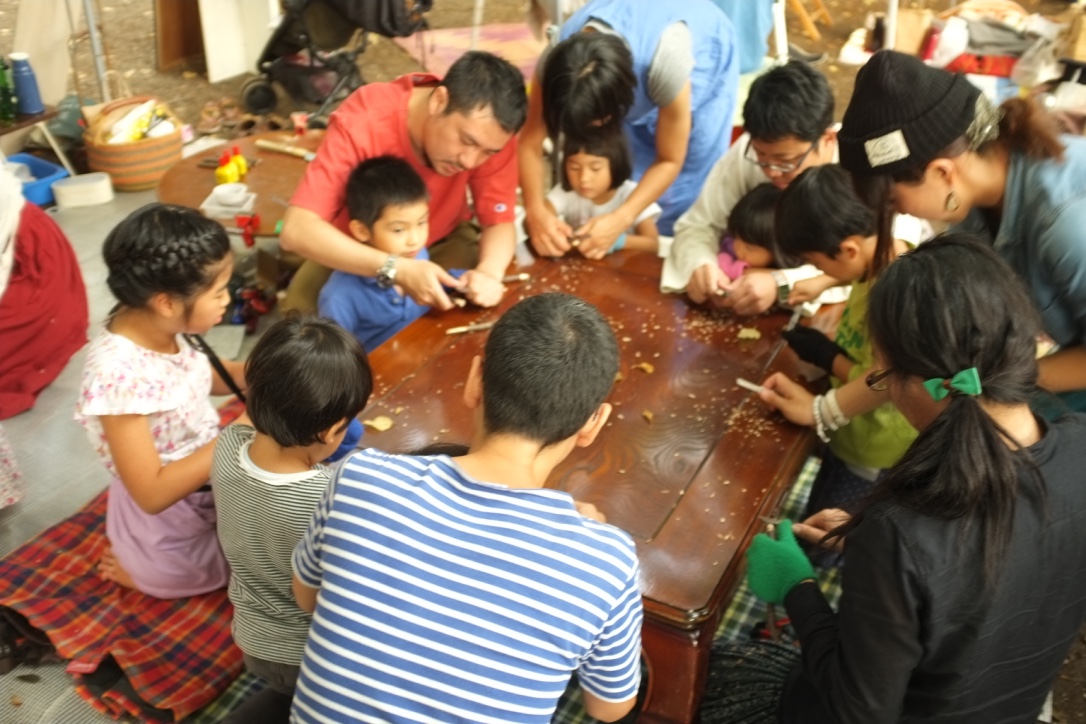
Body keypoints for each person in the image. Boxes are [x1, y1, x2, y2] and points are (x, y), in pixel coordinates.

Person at [741, 234, 1086, 722]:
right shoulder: (1080, 447)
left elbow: (857, 711)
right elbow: (999, 573)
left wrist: (798, 585)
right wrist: (886, 567)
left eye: (880, 376)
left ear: (923, 383)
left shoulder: (901, 530)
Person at [290, 293, 643, 723]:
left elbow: (307, 598)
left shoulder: (357, 476)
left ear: (475, 381)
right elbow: (608, 708)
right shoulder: (606, 561)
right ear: (594, 423)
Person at [837, 49, 1086, 409]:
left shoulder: (1066, 221)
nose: (901, 212)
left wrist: (998, 380)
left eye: (893, 202)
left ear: (942, 172)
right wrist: (827, 410)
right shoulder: (975, 204)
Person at [74, 204, 245, 598]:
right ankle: (143, 571)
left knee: (255, 541)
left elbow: (198, 376)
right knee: (193, 575)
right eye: (218, 291)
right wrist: (243, 429)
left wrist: (251, 373)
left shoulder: (165, 325)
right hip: (167, 504)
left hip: (204, 475)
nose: (227, 299)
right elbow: (151, 493)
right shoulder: (116, 376)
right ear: (166, 301)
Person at [280, 51, 527, 315]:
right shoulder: (366, 119)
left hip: (444, 237)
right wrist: (394, 267)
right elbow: (297, 230)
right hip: (360, 243)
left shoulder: (491, 133)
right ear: (439, 101)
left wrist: (489, 274)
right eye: (467, 141)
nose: (470, 161)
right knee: (302, 324)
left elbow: (498, 221)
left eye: (488, 152)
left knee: (452, 318)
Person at [213, 315, 372, 723]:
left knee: (285, 696)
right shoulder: (330, 495)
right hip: (310, 656)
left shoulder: (228, 444)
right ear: (332, 430)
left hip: (253, 642)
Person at [761, 164, 917, 529]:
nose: (816, 269)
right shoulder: (888, 251)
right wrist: (822, 280)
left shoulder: (893, 298)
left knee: (832, 525)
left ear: (846, 249)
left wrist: (827, 372)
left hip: (873, 446)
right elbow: (853, 265)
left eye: (816, 261)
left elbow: (887, 381)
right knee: (823, 491)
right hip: (850, 426)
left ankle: (822, 561)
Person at [520, 0, 739, 255]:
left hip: (703, 48)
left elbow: (669, 160)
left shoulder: (666, 61)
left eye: (598, 122)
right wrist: (535, 211)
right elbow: (530, 142)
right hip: (637, 64)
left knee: (683, 188)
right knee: (619, 169)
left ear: (624, 99)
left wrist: (622, 219)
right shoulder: (556, 60)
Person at [663, 60, 843, 314]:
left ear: (827, 140)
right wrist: (701, 265)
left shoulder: (858, 171)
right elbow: (699, 225)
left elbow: (878, 260)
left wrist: (780, 284)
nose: (770, 171)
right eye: (761, 156)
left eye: (786, 162)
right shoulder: (746, 153)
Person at [318, 155, 463, 352]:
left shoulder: (416, 254)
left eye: (421, 223)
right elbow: (334, 362)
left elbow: (435, 287)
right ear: (362, 231)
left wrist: (465, 282)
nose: (415, 239)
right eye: (398, 230)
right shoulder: (339, 296)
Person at [713, 182, 841, 309]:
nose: (738, 250)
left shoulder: (813, 263)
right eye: (736, 237)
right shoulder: (731, 245)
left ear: (779, 249)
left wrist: (773, 278)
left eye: (750, 248)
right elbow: (724, 263)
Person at [545, 131, 661, 258]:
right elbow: (537, 218)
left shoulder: (631, 194)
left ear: (616, 165)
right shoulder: (566, 192)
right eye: (575, 168)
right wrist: (550, 229)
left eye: (595, 169)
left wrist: (618, 241)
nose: (584, 178)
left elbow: (653, 245)